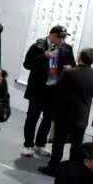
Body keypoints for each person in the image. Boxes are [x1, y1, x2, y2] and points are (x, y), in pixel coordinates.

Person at [42, 47, 93, 172]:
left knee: (58, 143)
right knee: (76, 146)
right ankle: (72, 170)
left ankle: (53, 168)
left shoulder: (69, 72)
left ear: (80, 57)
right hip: (82, 116)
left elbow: (58, 90)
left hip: (65, 114)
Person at [20, 26, 74, 156]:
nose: (62, 40)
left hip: (53, 91)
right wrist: (44, 56)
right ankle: (28, 145)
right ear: (52, 35)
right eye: (60, 37)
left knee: (48, 119)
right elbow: (27, 64)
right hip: (37, 89)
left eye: (64, 37)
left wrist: (70, 69)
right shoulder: (38, 46)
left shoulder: (67, 49)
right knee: (32, 117)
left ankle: (40, 144)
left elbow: (72, 65)